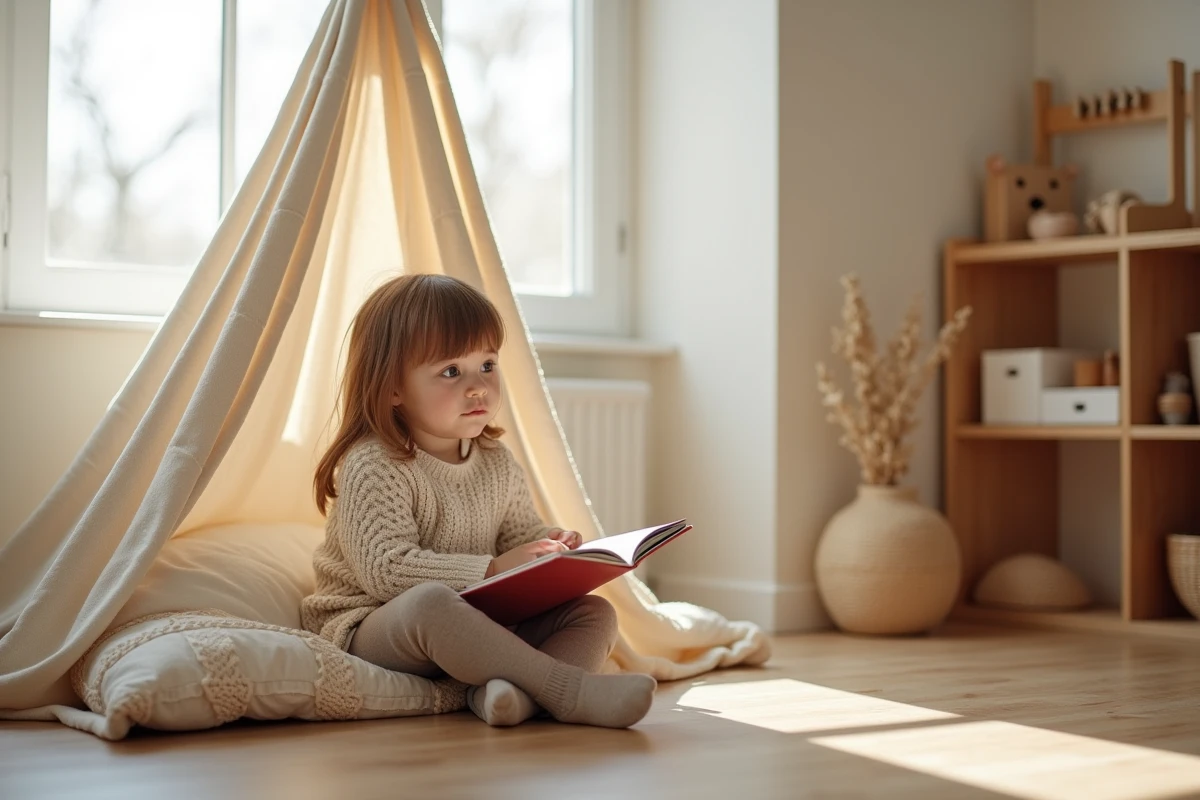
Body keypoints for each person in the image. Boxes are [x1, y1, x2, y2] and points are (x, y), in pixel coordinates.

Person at [300, 273, 656, 728]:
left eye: (487, 365)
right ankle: (568, 691)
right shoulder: (375, 463)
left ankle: (511, 696)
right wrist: (493, 569)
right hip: (374, 626)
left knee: (596, 613)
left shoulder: (495, 460)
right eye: (451, 371)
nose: (477, 387)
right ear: (392, 388)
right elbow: (386, 571)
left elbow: (518, 533)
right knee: (429, 602)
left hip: (479, 620)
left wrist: (555, 546)